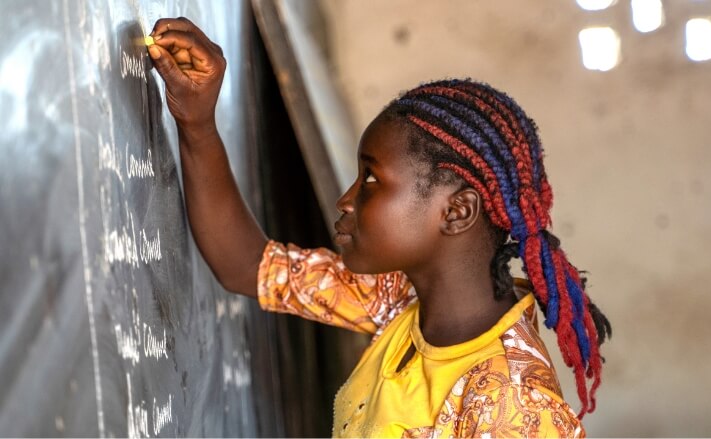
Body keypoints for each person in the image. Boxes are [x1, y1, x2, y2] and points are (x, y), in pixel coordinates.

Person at [146, 17, 611, 438]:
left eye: (371, 179)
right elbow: (247, 265)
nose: (346, 200)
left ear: (457, 211)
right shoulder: (397, 299)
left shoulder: (512, 405)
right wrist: (198, 123)